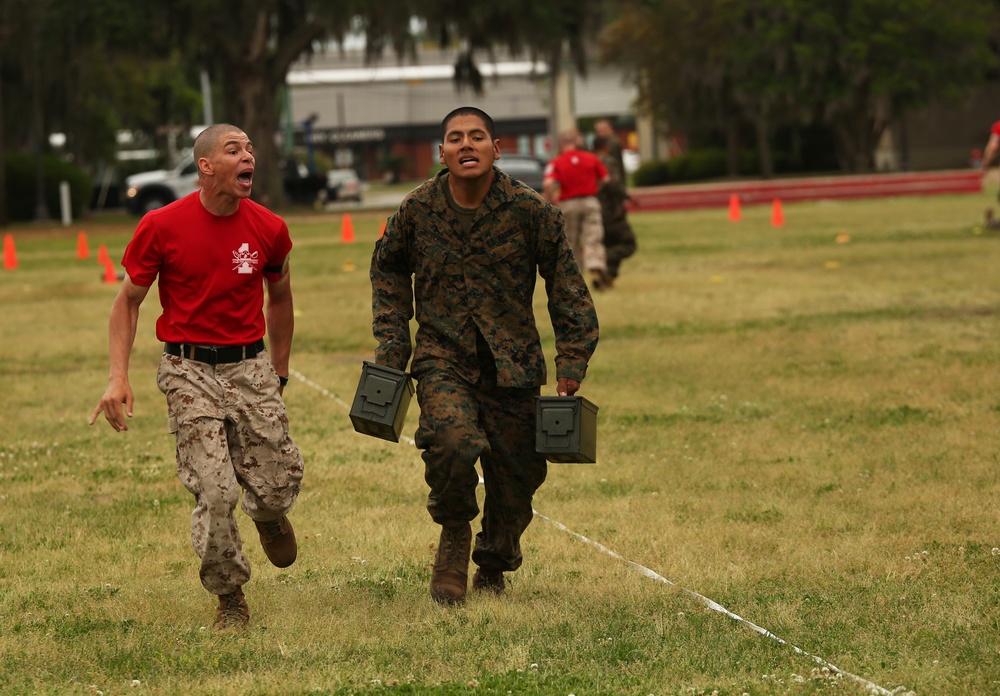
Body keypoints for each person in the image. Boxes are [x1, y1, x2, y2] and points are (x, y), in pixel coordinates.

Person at [369, 106, 599, 605]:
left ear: (497, 150)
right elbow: (386, 270)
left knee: (516, 478)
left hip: (512, 363)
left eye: (477, 137)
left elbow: (566, 284)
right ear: (442, 152)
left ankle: (494, 560)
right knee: (452, 442)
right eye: (455, 138)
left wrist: (572, 361)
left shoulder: (529, 210)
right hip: (442, 357)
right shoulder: (417, 209)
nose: (466, 145)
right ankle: (454, 537)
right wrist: (392, 345)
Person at [89, 123, 304, 631]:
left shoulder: (270, 228)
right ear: (205, 167)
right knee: (213, 489)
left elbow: (281, 297)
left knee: (274, 484)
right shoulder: (161, 225)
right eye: (234, 150)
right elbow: (128, 303)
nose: (247, 155)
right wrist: (118, 376)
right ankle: (230, 595)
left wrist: (279, 368)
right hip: (187, 368)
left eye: (251, 149)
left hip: (250, 365)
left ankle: (270, 515)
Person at [542, 128, 612, 290]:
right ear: (578, 142)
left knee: (570, 240)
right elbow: (606, 179)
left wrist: (552, 199)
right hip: (590, 201)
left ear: (561, 144)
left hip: (568, 203)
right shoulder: (591, 158)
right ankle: (595, 264)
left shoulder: (556, 162)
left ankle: (576, 275)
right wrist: (596, 188)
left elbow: (548, 183)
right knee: (593, 235)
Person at [592, 134, 638, 287]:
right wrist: (628, 197)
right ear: (606, 147)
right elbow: (614, 184)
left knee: (610, 242)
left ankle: (607, 278)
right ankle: (602, 257)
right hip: (611, 211)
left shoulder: (588, 161)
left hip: (594, 211)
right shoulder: (607, 161)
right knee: (628, 243)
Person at [594, 118, 626, 186]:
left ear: (609, 129)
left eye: (602, 130)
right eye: (598, 131)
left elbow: (613, 162)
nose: (600, 133)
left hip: (613, 178)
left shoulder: (612, 142)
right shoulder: (603, 141)